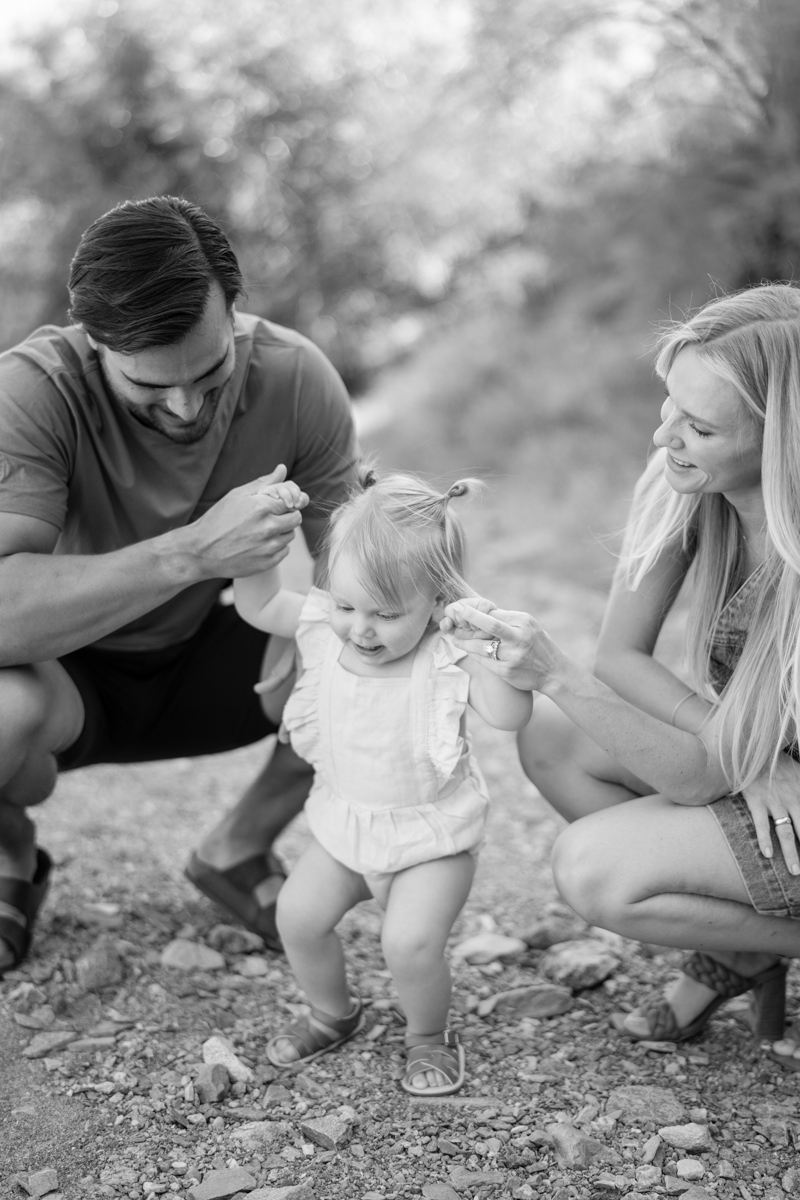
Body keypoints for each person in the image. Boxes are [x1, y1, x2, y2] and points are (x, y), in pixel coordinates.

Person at [443, 283, 800, 1072]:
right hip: (768, 766)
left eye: (700, 426)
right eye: (670, 404)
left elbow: (702, 776)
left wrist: (554, 672)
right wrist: (750, 750)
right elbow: (621, 658)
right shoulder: (685, 478)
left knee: (595, 870)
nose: (663, 434)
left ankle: (758, 946)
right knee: (555, 738)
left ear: (780, 445)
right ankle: (743, 954)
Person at [0, 195, 357, 974]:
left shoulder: (298, 379)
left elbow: (364, 570)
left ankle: (236, 849)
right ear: (94, 343)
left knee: (385, 655)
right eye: (150, 388)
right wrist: (191, 552)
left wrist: (353, 617)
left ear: (235, 310)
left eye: (209, 371)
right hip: (65, 672)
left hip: (210, 657)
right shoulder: (31, 390)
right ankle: (11, 856)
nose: (187, 406)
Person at [232, 469, 532, 1094]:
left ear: (438, 603)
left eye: (386, 614)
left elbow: (509, 715)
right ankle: (331, 1013)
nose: (360, 629)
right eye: (346, 605)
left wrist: (483, 642)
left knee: (410, 944)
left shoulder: (446, 655)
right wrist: (257, 543)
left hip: (431, 839)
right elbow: (259, 604)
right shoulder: (320, 629)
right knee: (297, 915)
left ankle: (428, 1034)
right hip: (346, 826)